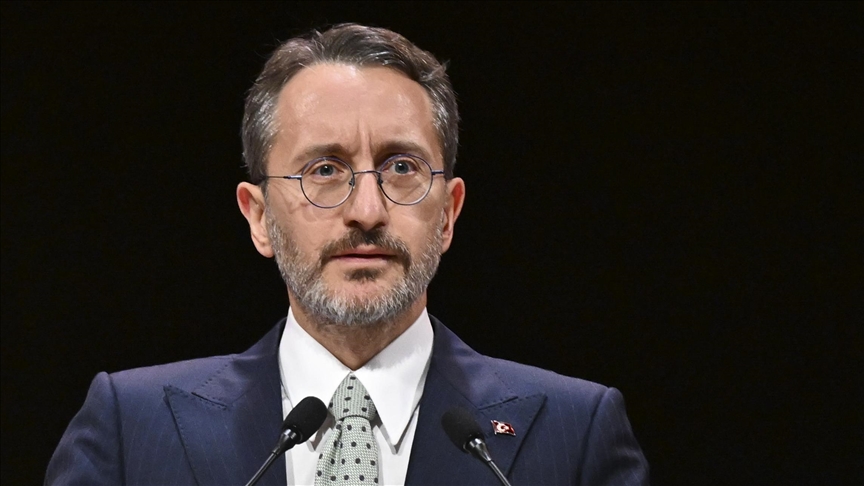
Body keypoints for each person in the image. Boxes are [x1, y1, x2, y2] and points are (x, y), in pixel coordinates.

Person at [45, 23, 649, 485]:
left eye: (402, 167)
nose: (366, 209)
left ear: (448, 214)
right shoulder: (130, 428)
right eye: (325, 169)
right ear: (258, 217)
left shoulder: (577, 434)